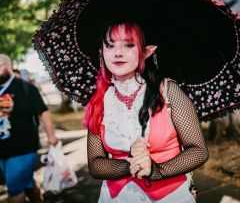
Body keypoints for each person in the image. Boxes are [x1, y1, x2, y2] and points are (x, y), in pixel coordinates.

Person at [83, 22, 209, 203]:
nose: (118, 52)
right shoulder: (99, 101)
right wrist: (130, 165)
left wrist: (155, 170)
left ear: (145, 52)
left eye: (128, 45)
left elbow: (198, 151)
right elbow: (95, 164)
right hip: (116, 198)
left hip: (171, 197)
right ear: (102, 53)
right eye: (110, 45)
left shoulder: (168, 91)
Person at [0, 54, 58, 203]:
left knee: (14, 191)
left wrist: (51, 136)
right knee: (25, 183)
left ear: (6, 66)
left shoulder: (26, 88)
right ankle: (38, 198)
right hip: (2, 150)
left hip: (22, 149)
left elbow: (43, 113)